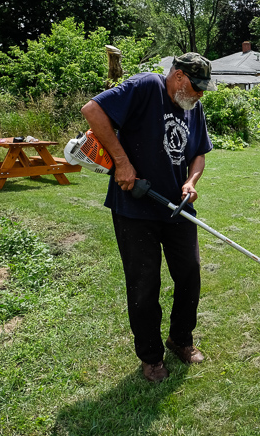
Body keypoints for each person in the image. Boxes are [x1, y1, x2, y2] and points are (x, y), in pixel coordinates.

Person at [81, 53, 215, 383]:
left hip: (177, 207)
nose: (200, 95)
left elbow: (198, 153)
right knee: (144, 284)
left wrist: (190, 182)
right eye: (196, 87)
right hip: (135, 209)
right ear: (179, 77)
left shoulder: (192, 107)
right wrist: (123, 163)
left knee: (190, 275)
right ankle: (151, 357)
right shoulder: (146, 85)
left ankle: (180, 339)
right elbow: (92, 110)